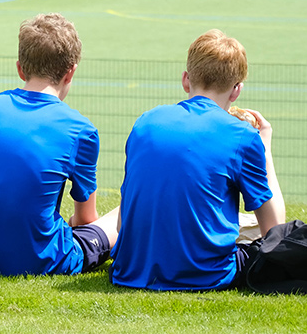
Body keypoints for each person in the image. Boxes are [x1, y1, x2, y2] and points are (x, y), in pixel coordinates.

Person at [110, 30, 285, 291]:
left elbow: (123, 220)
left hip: (130, 269)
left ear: (185, 79)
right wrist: (265, 147)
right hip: (205, 275)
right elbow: (274, 232)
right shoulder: (243, 136)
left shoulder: (145, 121)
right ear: (237, 90)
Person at [0, 13, 118, 276]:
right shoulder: (81, 130)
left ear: (20, 68)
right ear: (70, 73)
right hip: (42, 263)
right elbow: (85, 219)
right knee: (124, 209)